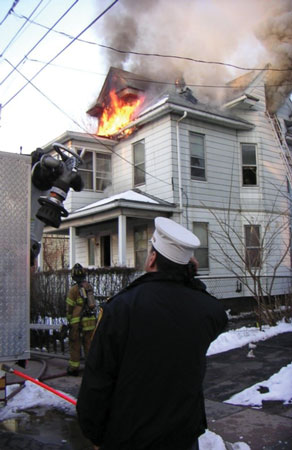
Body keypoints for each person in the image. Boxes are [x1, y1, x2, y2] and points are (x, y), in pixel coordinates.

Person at [77, 217, 228, 449]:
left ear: (152, 258)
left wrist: (94, 433)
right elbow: (217, 313)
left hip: (129, 439)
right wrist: (191, 281)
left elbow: (98, 381)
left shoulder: (121, 308)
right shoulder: (206, 310)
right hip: (183, 437)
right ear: (189, 267)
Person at [66, 263, 97, 376]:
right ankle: (91, 368)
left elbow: (69, 308)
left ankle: (74, 369)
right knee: (89, 345)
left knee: (75, 345)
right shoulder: (88, 287)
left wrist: (69, 320)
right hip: (90, 321)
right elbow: (92, 304)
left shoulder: (73, 290)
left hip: (78, 323)